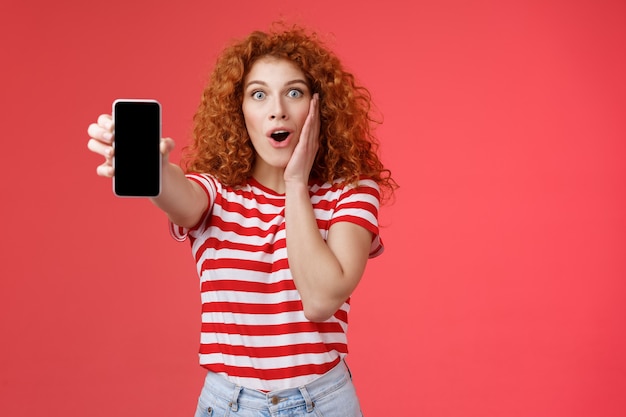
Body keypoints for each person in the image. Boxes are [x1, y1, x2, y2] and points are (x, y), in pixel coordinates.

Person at [87, 23, 396, 417]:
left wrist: (296, 182)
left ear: (320, 107)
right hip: (227, 405)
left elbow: (320, 300)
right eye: (259, 94)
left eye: (295, 92)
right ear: (240, 110)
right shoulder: (216, 192)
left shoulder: (350, 191)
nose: (277, 109)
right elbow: (179, 196)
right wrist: (155, 168)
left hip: (323, 403)